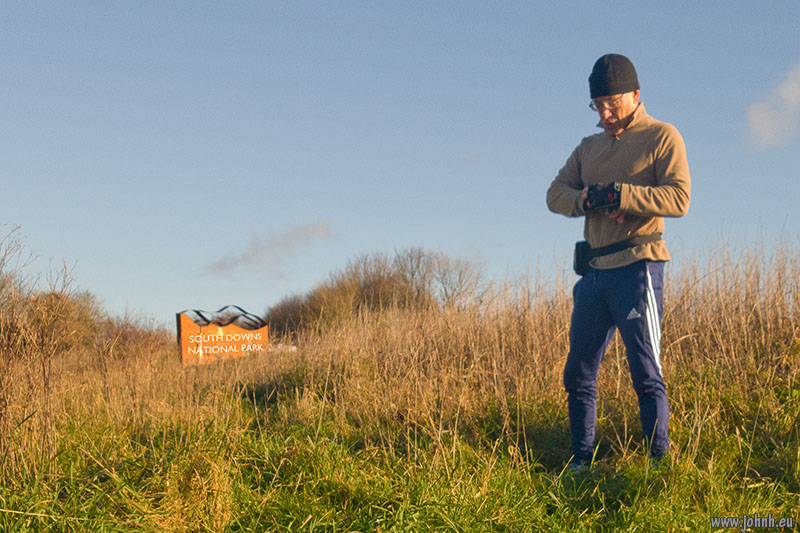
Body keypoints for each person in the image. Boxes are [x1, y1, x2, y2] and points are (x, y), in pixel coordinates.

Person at [546, 53, 691, 468]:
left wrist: (623, 195)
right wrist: (586, 199)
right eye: (598, 105)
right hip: (593, 273)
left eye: (614, 103)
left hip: (638, 266)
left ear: (635, 95)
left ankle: (657, 465)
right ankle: (580, 462)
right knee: (578, 373)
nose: (606, 113)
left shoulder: (662, 137)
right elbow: (554, 194)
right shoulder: (587, 148)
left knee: (645, 371)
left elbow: (678, 197)